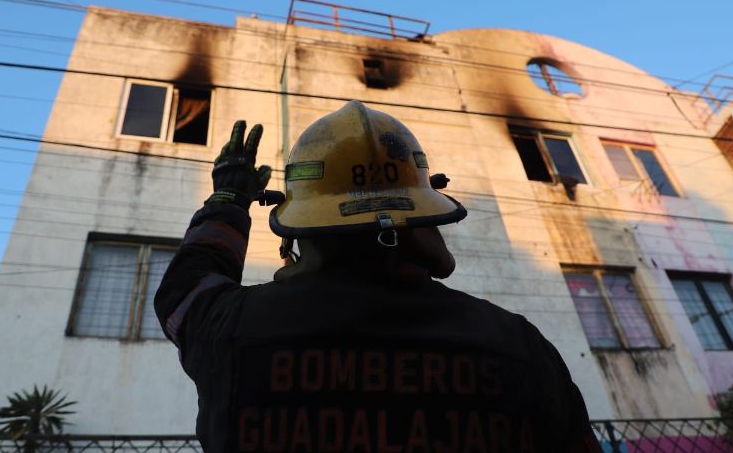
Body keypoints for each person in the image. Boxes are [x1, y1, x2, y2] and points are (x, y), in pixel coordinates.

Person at [156, 100, 602, 453]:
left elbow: (185, 293)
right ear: (422, 215)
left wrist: (229, 199)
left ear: (301, 227)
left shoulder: (231, 329)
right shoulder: (515, 343)